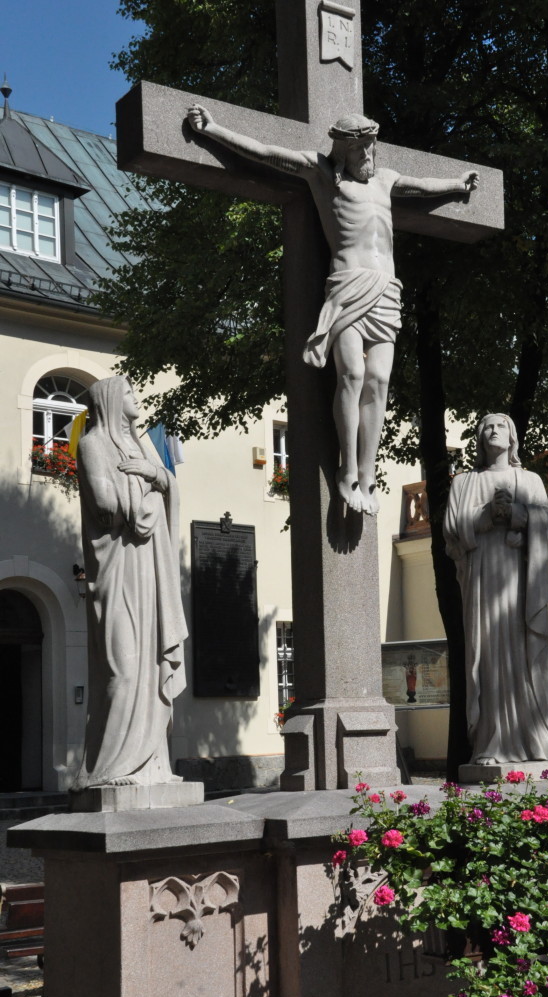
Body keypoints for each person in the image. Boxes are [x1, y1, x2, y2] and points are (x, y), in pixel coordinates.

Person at [187, 106, 478, 515]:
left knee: (379, 380)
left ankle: (368, 472)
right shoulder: (322, 174)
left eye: (371, 148)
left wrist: (457, 183)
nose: (368, 156)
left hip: (385, 291)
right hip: (347, 288)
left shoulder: (385, 180)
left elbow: (422, 187)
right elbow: (265, 152)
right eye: (360, 150)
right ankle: (347, 470)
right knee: (353, 374)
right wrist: (214, 129)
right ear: (342, 151)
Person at [72, 376, 187, 790]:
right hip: (119, 570)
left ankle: (151, 766)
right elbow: (106, 507)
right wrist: (150, 495)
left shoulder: (142, 446)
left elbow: (169, 485)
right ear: (110, 400)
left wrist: (154, 475)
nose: (136, 399)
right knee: (122, 669)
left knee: (152, 666)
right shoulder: (92, 445)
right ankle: (105, 769)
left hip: (149, 570)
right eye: (130, 393)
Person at [443, 413, 548, 765]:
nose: (494, 430)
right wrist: (486, 515)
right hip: (483, 583)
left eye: (501, 426)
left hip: (521, 583)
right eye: (487, 426)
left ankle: (538, 743)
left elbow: (546, 521)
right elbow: (451, 529)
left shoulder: (529, 480)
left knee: (527, 655)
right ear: (479, 438)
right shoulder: (463, 482)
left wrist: (515, 514)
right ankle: (491, 744)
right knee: (488, 656)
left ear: (513, 438)